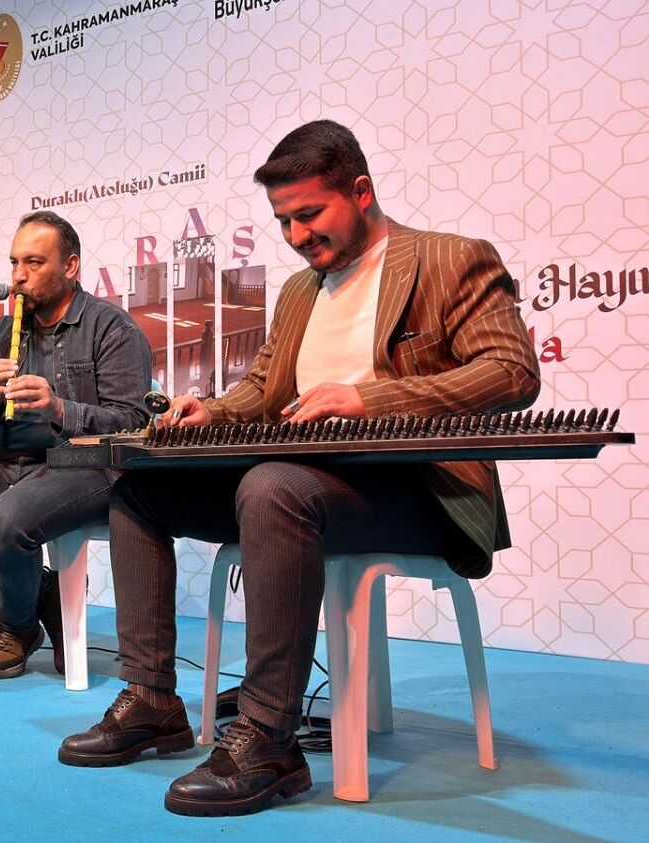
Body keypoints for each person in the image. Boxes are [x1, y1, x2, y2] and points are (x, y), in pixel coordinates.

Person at [56, 120, 541, 816]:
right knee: (142, 490)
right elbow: (262, 393)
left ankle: (269, 737)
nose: (295, 234)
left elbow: (512, 371)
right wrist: (214, 414)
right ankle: (153, 698)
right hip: (299, 485)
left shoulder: (450, 260)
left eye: (309, 214)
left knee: (271, 486)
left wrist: (369, 398)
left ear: (361, 191)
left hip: (417, 491)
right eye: (283, 220)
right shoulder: (297, 292)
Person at [0, 211, 155, 678]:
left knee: (4, 521)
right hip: (2, 464)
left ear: (71, 267)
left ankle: (15, 626)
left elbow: (135, 422)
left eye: (34, 263)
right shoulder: (2, 331)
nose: (17, 276)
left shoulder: (111, 327)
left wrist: (61, 410)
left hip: (80, 465)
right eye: (15, 262)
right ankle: (41, 593)